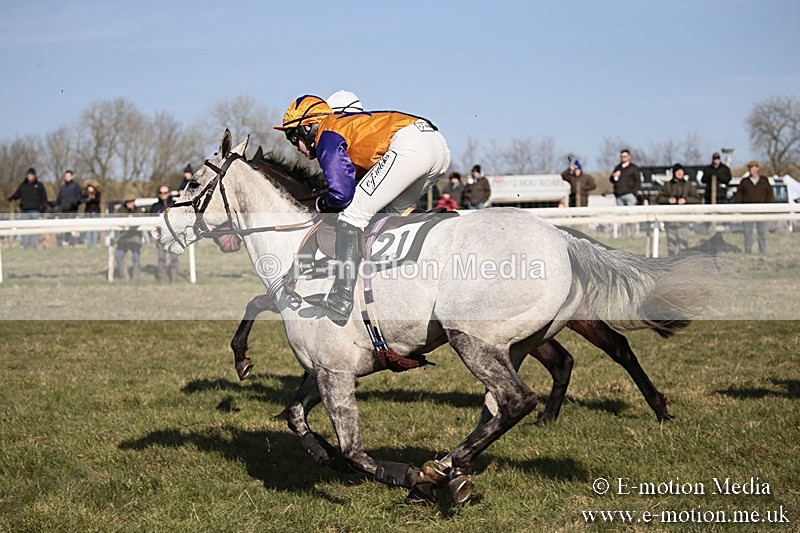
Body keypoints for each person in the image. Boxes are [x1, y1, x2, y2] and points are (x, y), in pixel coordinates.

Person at [274, 94, 450, 317]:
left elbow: (341, 195)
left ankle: (341, 297)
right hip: (439, 146)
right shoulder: (341, 125)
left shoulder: (326, 134)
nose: (295, 147)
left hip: (412, 146)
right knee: (389, 215)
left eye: (293, 138)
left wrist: (321, 204)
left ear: (308, 127)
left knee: (352, 215)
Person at [655, 163, 701, 255]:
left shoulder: (688, 185)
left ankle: (683, 264)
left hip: (683, 219)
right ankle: (672, 264)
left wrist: (686, 200)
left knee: (683, 243)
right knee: (671, 244)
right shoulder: (667, 185)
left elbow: (697, 199)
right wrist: (668, 200)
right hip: (670, 220)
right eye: (677, 171)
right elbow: (658, 198)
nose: (680, 173)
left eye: (681, 171)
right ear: (674, 173)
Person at [735, 160, 773, 254]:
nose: (751, 169)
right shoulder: (744, 182)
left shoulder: (764, 180)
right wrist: (739, 207)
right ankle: (748, 252)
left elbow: (770, 194)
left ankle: (762, 252)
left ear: (757, 168)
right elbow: (738, 194)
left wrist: (767, 206)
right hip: (747, 210)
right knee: (747, 233)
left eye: (753, 167)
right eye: (750, 167)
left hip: (761, 210)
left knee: (762, 233)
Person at [7, 168, 48, 249]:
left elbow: (44, 198)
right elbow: (17, 194)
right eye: (28, 175)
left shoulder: (39, 185)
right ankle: (25, 244)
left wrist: (43, 209)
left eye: (31, 175)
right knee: (25, 228)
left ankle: (34, 245)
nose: (30, 177)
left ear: (34, 176)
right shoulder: (23, 185)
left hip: (35, 210)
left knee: (34, 228)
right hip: (25, 210)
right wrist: (11, 198)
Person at [149, 185, 180, 281]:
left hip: (173, 236)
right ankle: (161, 278)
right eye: (161, 193)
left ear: (169, 193)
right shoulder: (155, 206)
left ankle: (174, 278)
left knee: (174, 258)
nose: (163, 195)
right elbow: (151, 221)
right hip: (160, 237)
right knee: (161, 257)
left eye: (165, 192)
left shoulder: (175, 204)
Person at [114, 197, 142, 281]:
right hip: (123, 237)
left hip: (135, 236)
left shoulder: (138, 211)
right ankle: (124, 276)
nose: (129, 203)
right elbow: (117, 221)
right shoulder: (120, 210)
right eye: (127, 202)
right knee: (118, 256)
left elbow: (140, 222)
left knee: (136, 257)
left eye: (131, 201)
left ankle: (135, 277)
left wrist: (130, 226)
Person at [54, 170, 83, 245]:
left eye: (68, 176)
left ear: (72, 176)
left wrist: (74, 203)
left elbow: (79, 198)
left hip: (72, 210)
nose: (67, 177)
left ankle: (72, 242)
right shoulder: (63, 187)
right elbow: (59, 199)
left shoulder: (76, 186)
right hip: (64, 210)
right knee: (65, 227)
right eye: (66, 176)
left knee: (72, 227)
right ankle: (66, 241)